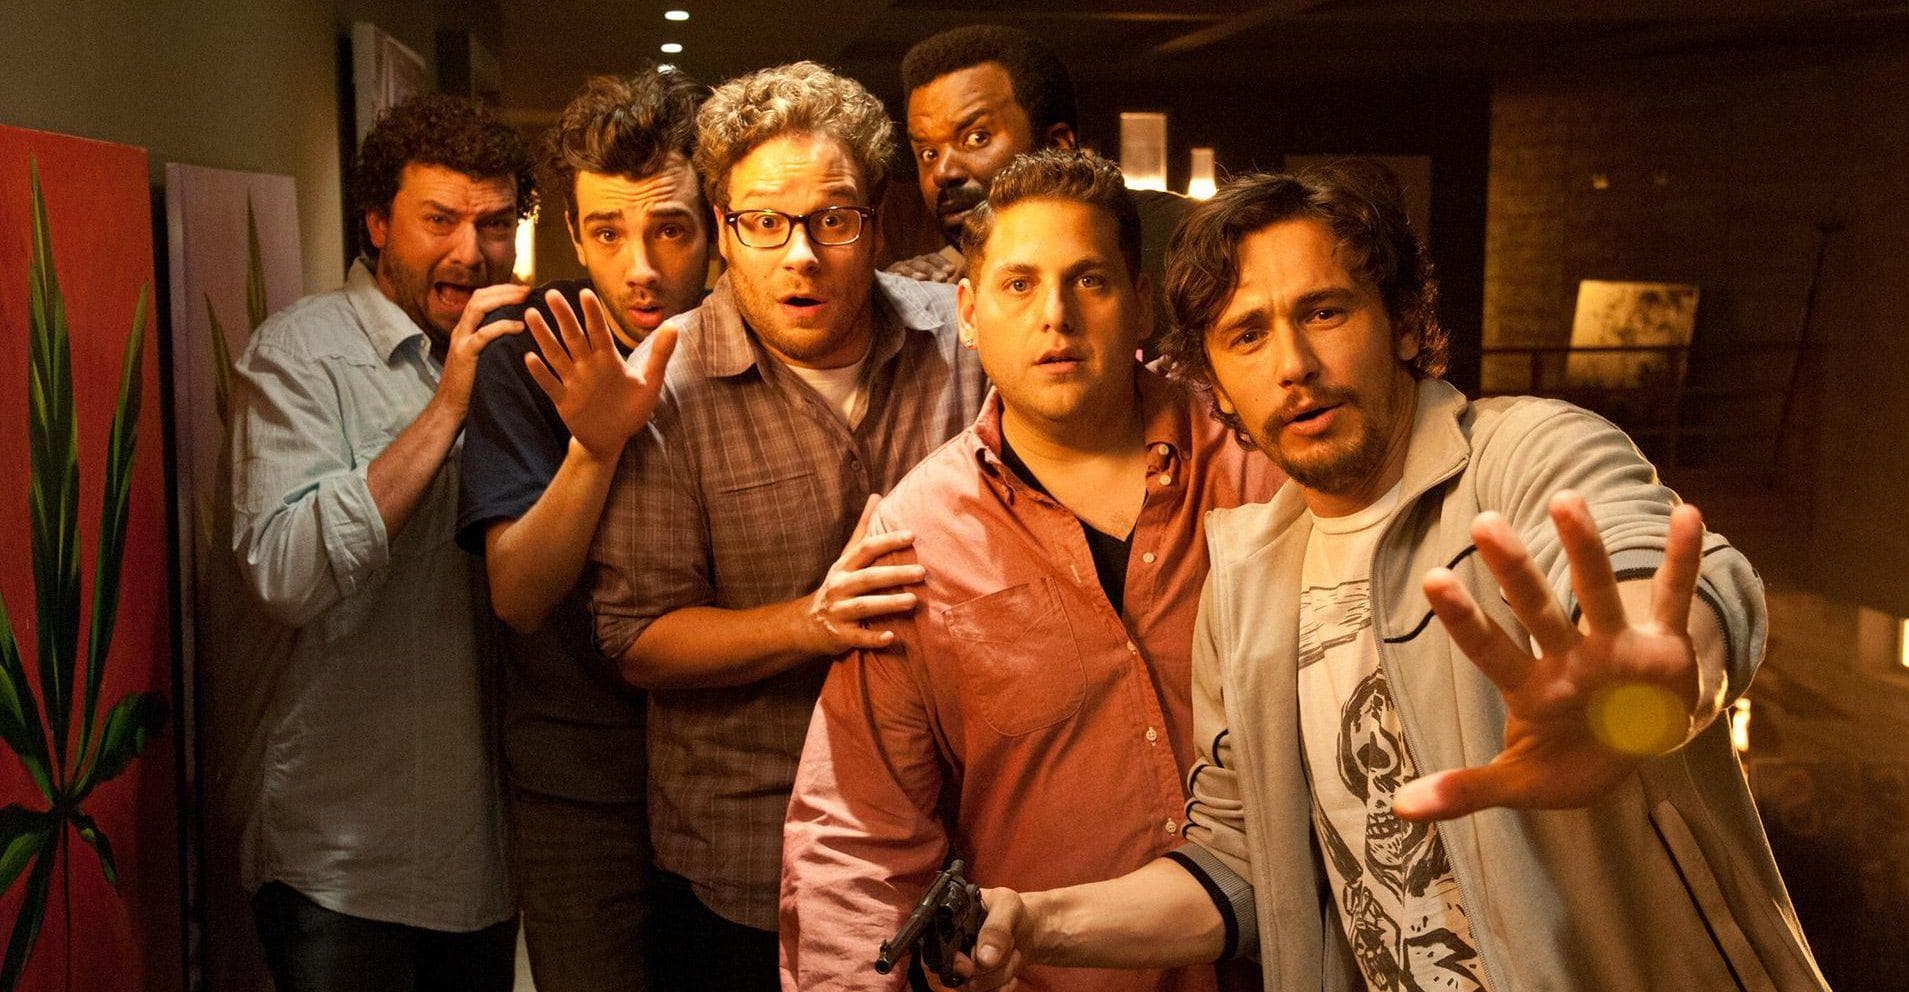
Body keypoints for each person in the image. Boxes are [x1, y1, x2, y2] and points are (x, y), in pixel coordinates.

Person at [958, 164, 1828, 992]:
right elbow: (1240, 865)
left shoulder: (1524, 451)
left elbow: (1658, 565)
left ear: (1405, 324)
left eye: (1324, 311)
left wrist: (1649, 675)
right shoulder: (1247, 585)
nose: (1292, 364)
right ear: (1214, 386)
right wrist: (1036, 921)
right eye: (1247, 335)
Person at [780, 150, 1279, 992]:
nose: (1055, 315)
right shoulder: (919, 537)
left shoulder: (1258, 465)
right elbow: (857, 835)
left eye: (1089, 281)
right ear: (969, 313)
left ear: (1141, 303)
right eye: (1018, 285)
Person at [587, 61, 988, 991]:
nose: (799, 253)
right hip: (746, 861)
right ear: (723, 229)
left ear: (876, 224)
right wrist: (811, 621)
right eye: (764, 223)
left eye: (832, 219)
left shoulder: (965, 341)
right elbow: (635, 639)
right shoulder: (665, 383)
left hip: (961, 846)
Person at [229, 93, 534, 992]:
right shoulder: (300, 353)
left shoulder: (530, 352)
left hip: (486, 860)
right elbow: (285, 575)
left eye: (494, 224)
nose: (470, 253)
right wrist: (446, 408)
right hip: (345, 868)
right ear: (376, 224)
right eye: (438, 220)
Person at [455, 67, 710, 992]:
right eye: (608, 233)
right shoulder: (528, 349)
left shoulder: (748, 339)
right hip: (581, 779)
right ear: (572, 231)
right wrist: (593, 448)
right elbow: (518, 595)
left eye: (669, 229)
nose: (640, 267)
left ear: (714, 223)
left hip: (732, 762)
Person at [890, 24, 1187, 334]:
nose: (942, 172)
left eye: (977, 137)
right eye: (928, 153)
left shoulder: (1183, 240)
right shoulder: (944, 283)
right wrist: (890, 305)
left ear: (1056, 146)